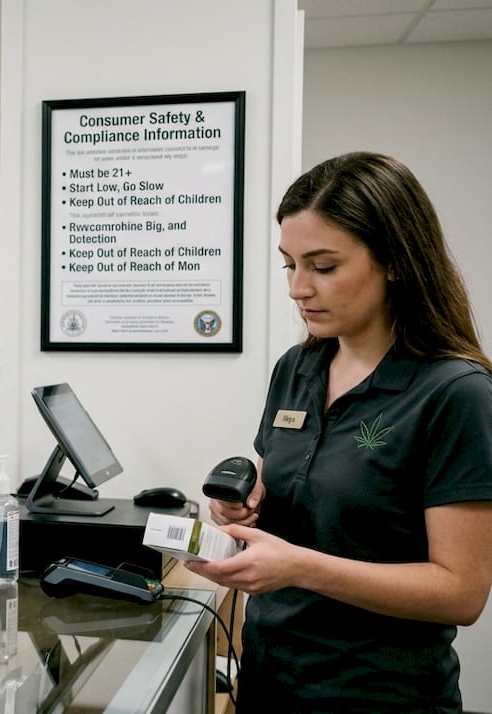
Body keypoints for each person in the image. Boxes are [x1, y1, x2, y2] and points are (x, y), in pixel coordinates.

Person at [187, 151, 492, 712]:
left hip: (377, 696)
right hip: (269, 679)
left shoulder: (455, 392)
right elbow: (287, 472)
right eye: (289, 264)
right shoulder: (297, 368)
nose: (298, 288)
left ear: (395, 261)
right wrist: (245, 503)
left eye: (323, 267)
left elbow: (461, 591)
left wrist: (299, 566)